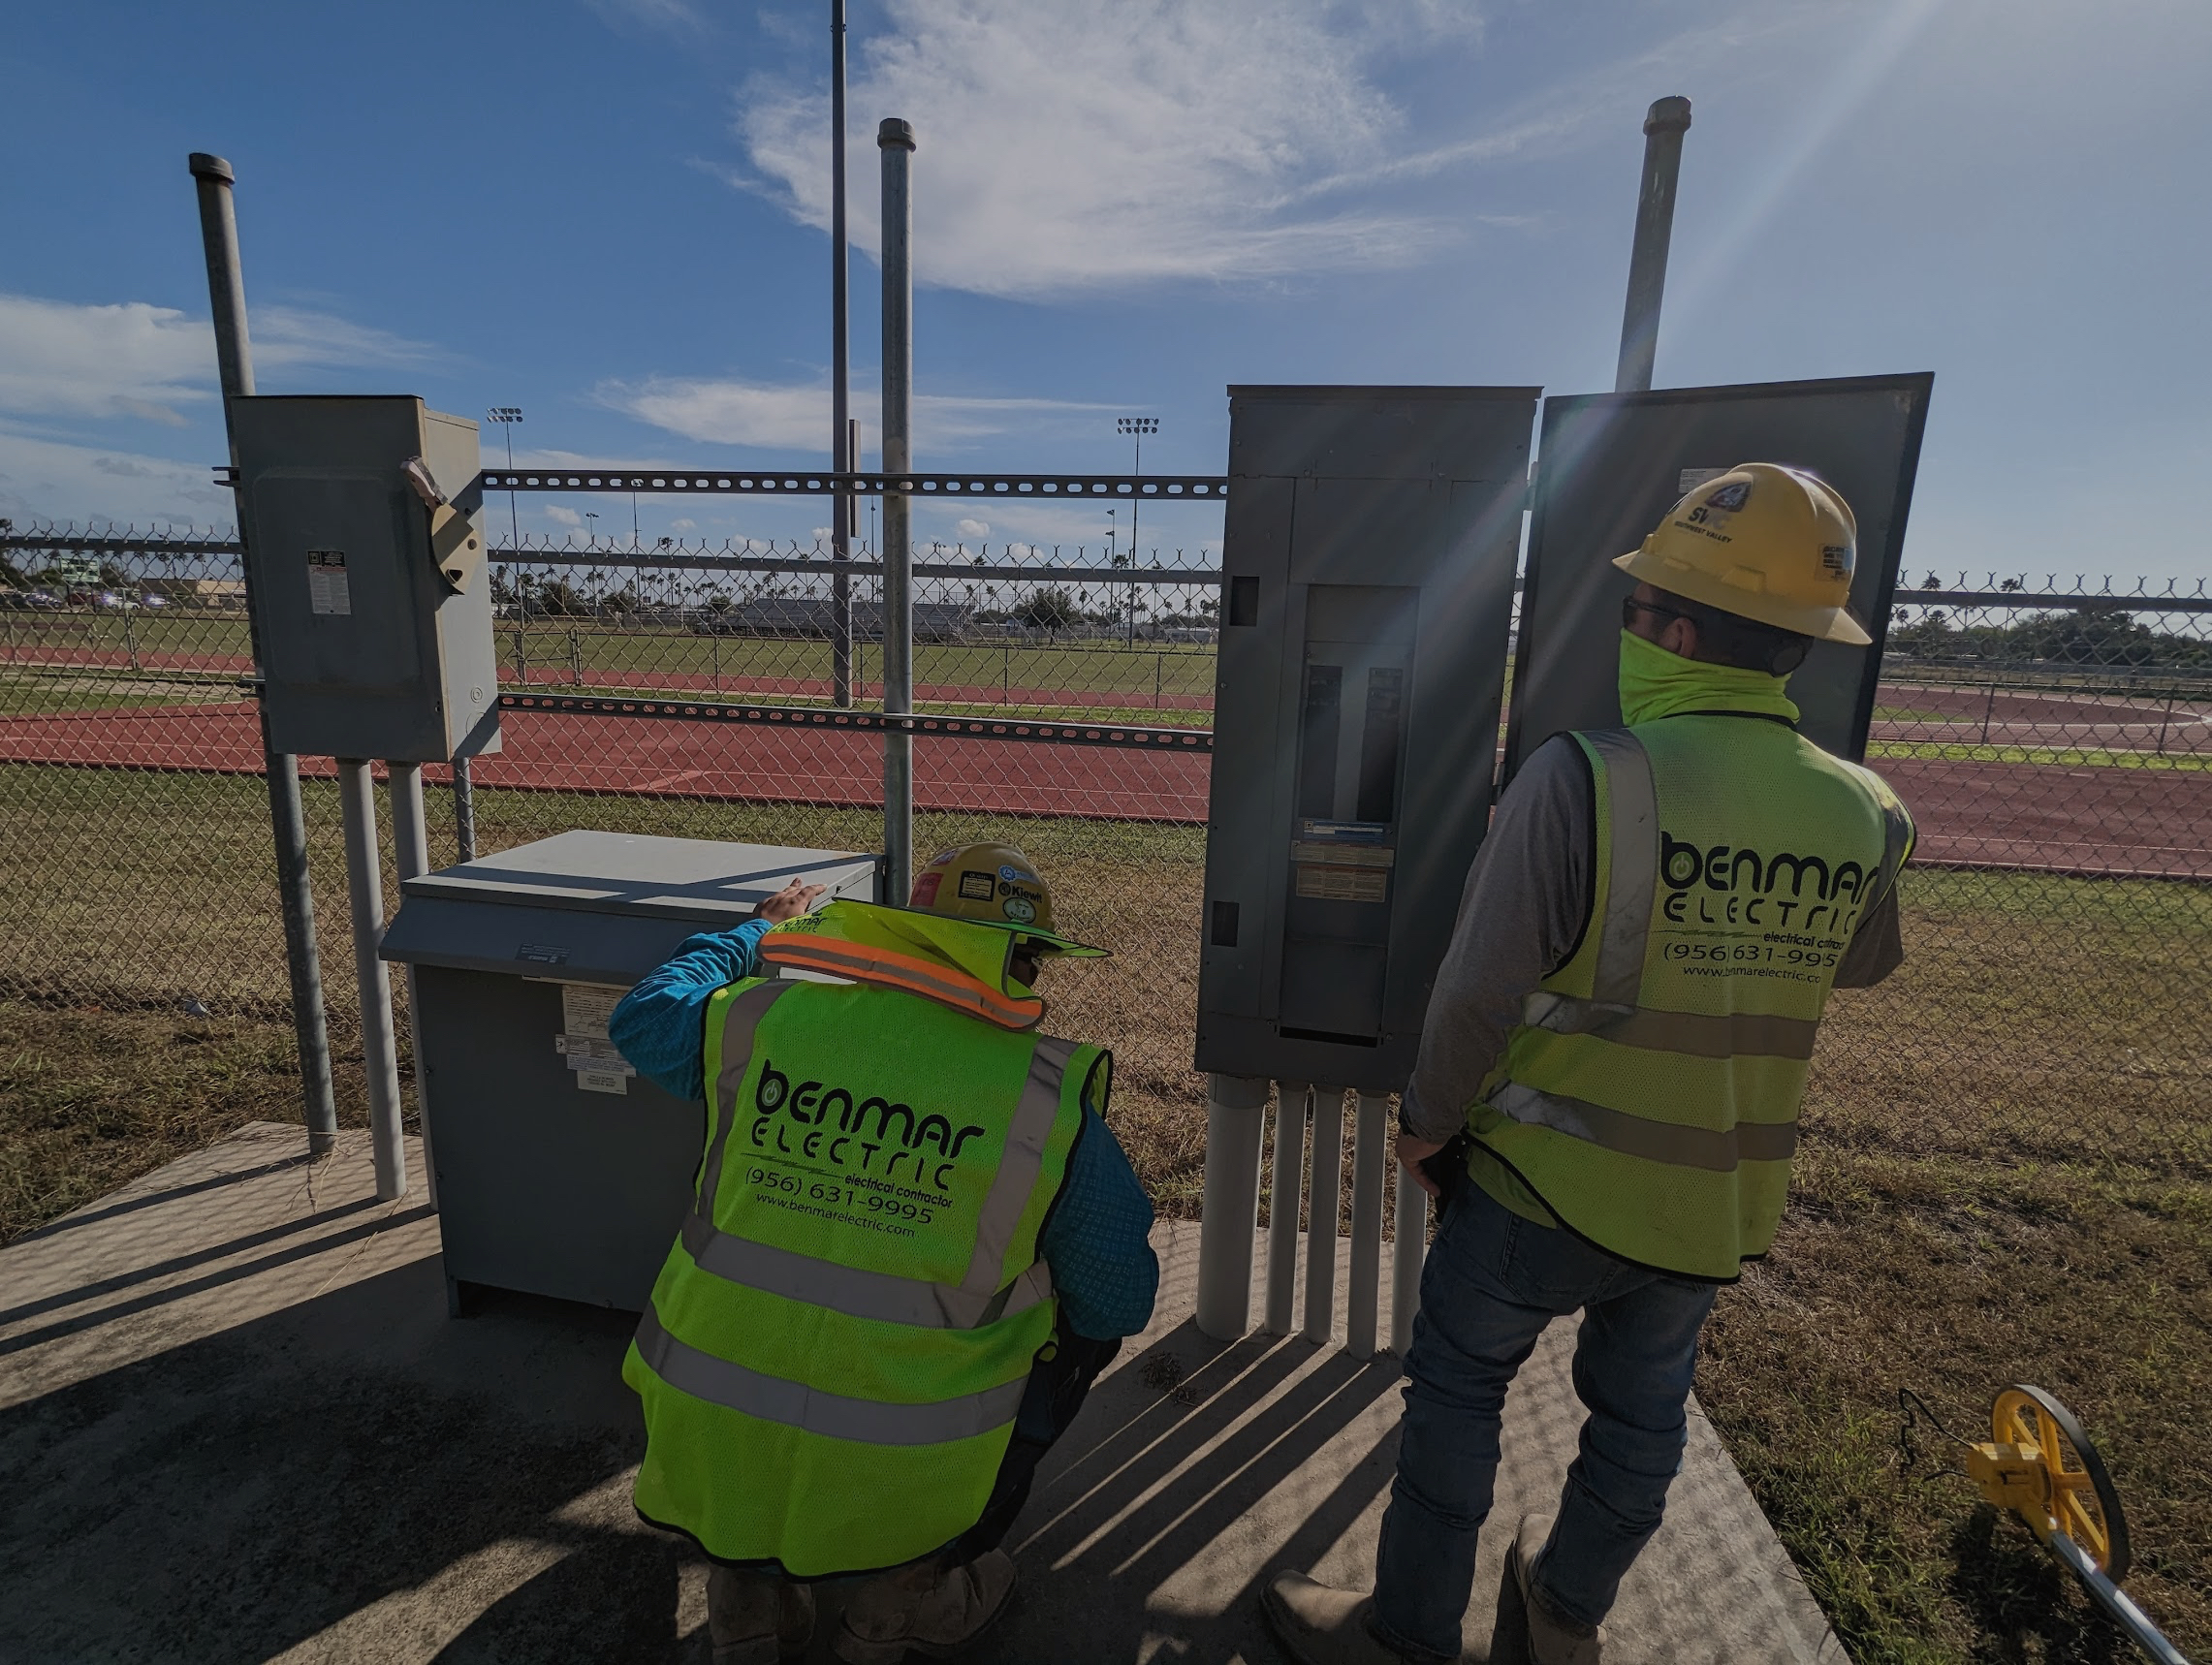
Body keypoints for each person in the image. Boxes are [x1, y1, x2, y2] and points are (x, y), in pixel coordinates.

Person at [1261, 464, 1916, 1665]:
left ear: (1671, 627)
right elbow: (1857, 964)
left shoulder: (1585, 776)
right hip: (1705, 1198)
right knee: (1640, 1417)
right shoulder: (1868, 809)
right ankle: (1564, 1614)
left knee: (1456, 1392)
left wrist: (1423, 1123)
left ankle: (1405, 1635)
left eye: (1635, 609)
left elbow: (1473, 991)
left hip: (1536, 1184)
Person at [609, 842, 1158, 1665]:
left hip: (708, 1393)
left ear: (898, 934)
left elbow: (644, 1019)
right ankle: (894, 1609)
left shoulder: (763, 1020)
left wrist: (757, 935)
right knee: (1079, 1327)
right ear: (1028, 965)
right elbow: (1119, 1300)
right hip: (912, 1447)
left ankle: (747, 1611)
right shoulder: (1042, 1098)